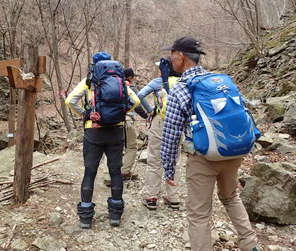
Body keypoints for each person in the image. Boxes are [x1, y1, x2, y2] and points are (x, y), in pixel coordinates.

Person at [160, 36, 259, 251]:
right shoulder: (222, 81)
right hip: (233, 151)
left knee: (198, 213)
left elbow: (170, 134)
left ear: (180, 57)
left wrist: (168, 170)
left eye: (172, 55)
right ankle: (250, 243)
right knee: (231, 196)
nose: (170, 59)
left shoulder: (181, 88)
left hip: (203, 158)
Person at [65, 52, 140, 229]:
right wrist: (121, 112)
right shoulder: (120, 80)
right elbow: (135, 101)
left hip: (94, 131)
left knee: (90, 172)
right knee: (115, 171)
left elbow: (70, 101)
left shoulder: (89, 81)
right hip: (116, 131)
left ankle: (85, 218)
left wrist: (86, 114)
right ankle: (115, 216)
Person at [137, 59, 181, 210]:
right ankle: (173, 198)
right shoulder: (183, 82)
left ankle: (151, 197)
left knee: (155, 159)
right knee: (173, 160)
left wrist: (150, 110)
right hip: (177, 124)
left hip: (159, 123)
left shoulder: (158, 82)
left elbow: (140, 95)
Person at [103, 68, 148, 186]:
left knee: (112, 147)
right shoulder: (129, 88)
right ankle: (125, 172)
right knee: (131, 147)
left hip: (111, 121)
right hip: (126, 121)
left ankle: (108, 175)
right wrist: (146, 116)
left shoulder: (111, 87)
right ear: (131, 77)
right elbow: (137, 104)